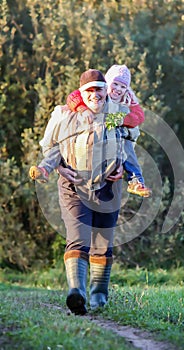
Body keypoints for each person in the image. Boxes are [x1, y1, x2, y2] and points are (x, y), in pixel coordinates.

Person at [35, 69, 126, 315]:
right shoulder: (63, 115)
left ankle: (98, 299)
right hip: (73, 187)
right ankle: (77, 293)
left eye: (99, 89)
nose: (95, 94)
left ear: (105, 90)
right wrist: (61, 169)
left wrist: (121, 165)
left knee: (103, 244)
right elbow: (48, 146)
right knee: (78, 237)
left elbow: (127, 142)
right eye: (89, 90)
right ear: (81, 92)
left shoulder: (117, 112)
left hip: (108, 187)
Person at [29, 65, 151, 197]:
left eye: (123, 87)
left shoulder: (125, 104)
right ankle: (45, 168)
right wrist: (82, 109)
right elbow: (73, 97)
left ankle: (135, 180)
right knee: (64, 140)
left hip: (107, 171)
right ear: (106, 84)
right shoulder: (89, 96)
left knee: (124, 142)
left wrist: (122, 121)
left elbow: (138, 120)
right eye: (115, 84)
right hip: (77, 170)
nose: (118, 89)